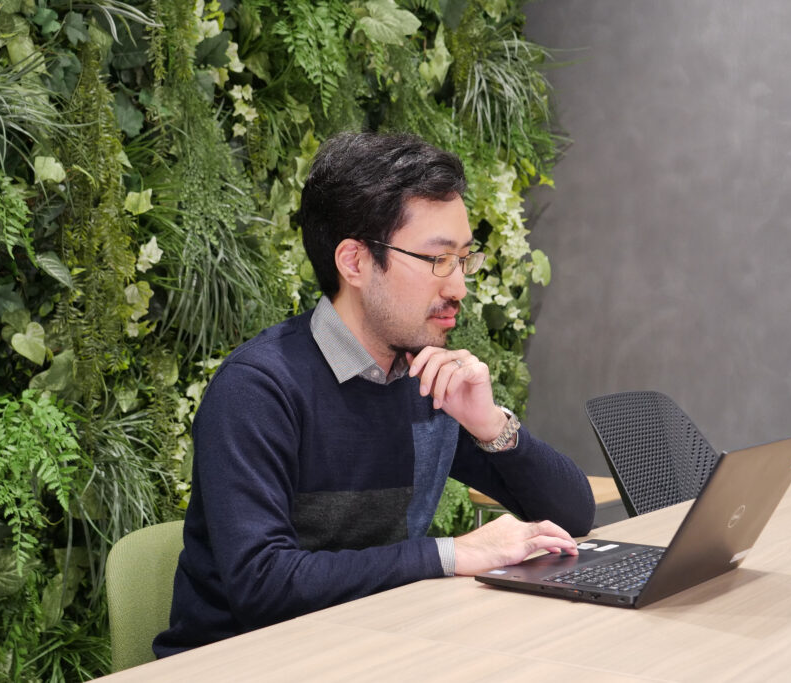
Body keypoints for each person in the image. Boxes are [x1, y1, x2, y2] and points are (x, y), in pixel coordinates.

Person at [153, 131, 595, 657]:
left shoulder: (425, 379)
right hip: (240, 664)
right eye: (438, 259)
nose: (458, 287)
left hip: (372, 649)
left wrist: (491, 427)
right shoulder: (258, 389)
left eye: (463, 260)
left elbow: (573, 516)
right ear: (355, 262)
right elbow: (263, 587)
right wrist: (450, 554)